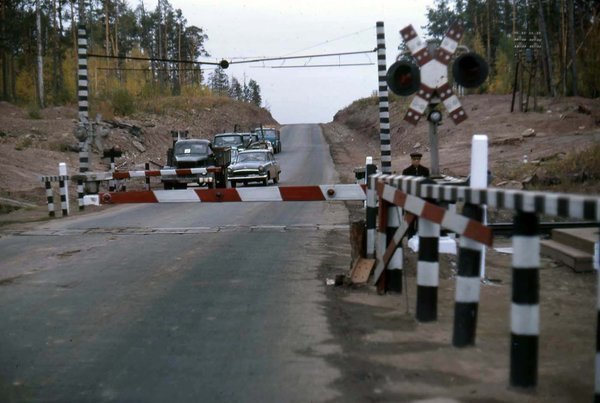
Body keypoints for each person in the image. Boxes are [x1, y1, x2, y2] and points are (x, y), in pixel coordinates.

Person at [401, 152, 429, 239]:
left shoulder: (425, 171)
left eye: (418, 159)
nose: (416, 161)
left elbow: (427, 185)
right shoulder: (406, 171)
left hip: (421, 199)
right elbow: (404, 187)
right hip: (410, 199)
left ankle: (421, 239)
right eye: (414, 159)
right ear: (411, 160)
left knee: (421, 220)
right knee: (410, 221)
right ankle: (410, 238)